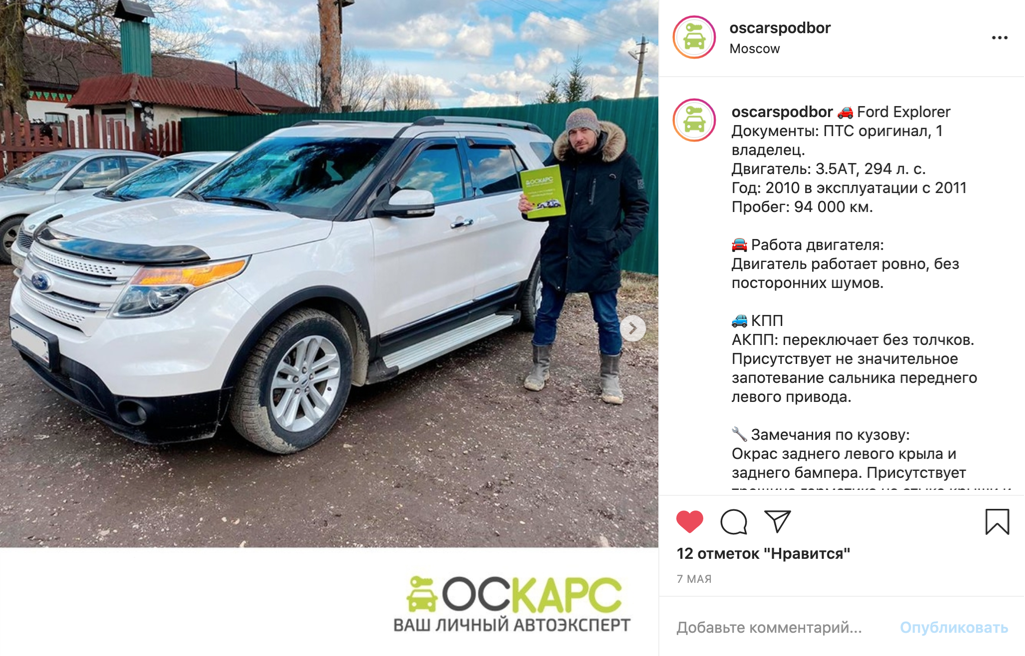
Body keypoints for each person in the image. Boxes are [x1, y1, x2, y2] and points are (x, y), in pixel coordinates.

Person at [519, 108, 649, 404]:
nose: (578, 138)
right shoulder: (557, 162)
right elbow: (543, 208)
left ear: (596, 130)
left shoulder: (621, 162)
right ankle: (539, 367)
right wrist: (528, 209)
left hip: (600, 255)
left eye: (584, 131)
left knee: (606, 318)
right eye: (573, 132)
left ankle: (610, 377)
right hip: (559, 251)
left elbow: (639, 208)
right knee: (546, 313)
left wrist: (616, 243)